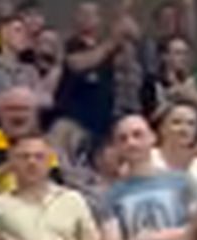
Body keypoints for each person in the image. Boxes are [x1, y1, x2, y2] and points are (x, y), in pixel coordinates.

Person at [57, 1, 140, 141]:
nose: (87, 18)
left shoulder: (106, 48)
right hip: (76, 120)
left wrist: (124, 23)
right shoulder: (71, 44)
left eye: (92, 14)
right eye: (83, 14)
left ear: (99, 20)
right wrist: (112, 41)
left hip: (105, 119)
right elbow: (76, 64)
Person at [0, 14, 47, 108]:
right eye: (18, 30)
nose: (24, 35)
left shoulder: (30, 71)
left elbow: (44, 101)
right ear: (3, 32)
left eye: (26, 32)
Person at [141, 34, 197, 118]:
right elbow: (150, 116)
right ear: (164, 56)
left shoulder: (190, 81)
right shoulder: (152, 82)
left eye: (185, 53)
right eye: (178, 53)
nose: (183, 58)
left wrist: (192, 95)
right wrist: (173, 99)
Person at [153, 100, 197, 195]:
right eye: (176, 122)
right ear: (162, 128)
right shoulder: (148, 158)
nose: (184, 129)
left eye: (191, 124)